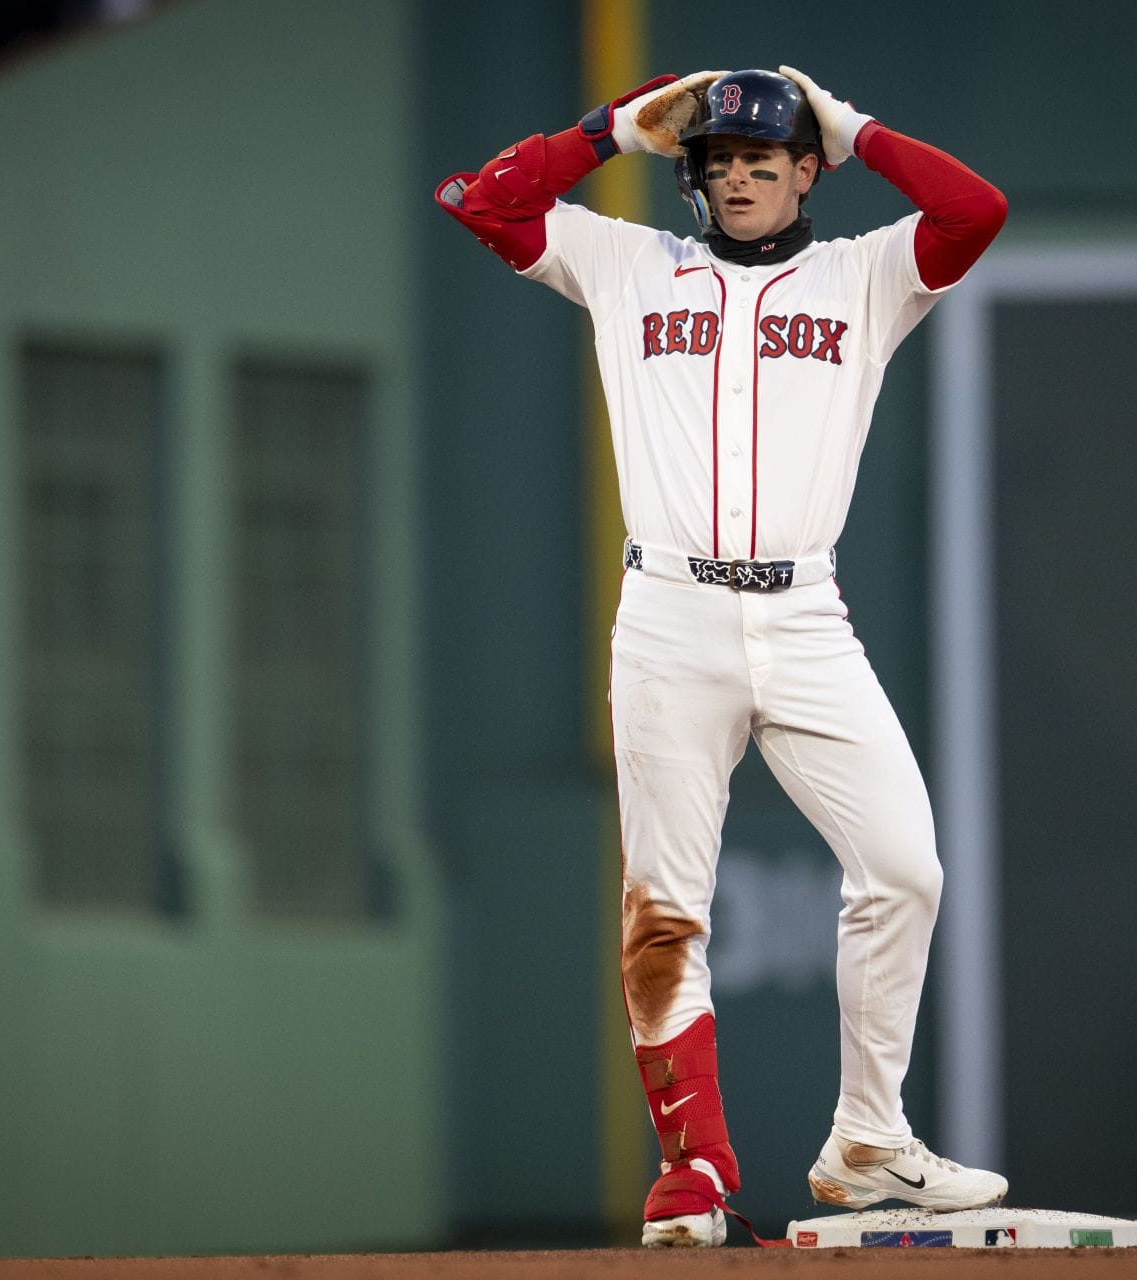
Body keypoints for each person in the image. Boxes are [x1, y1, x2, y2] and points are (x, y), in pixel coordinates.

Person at [437, 66, 1008, 1247]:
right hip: (670, 614)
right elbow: (485, 203)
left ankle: (868, 1135)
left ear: (806, 172)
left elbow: (975, 212)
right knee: (666, 909)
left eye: (763, 159)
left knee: (905, 868)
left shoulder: (862, 276)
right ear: (690, 175)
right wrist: (607, 131)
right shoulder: (629, 262)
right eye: (717, 161)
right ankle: (693, 1173)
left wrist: (856, 128)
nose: (738, 178)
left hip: (804, 614)